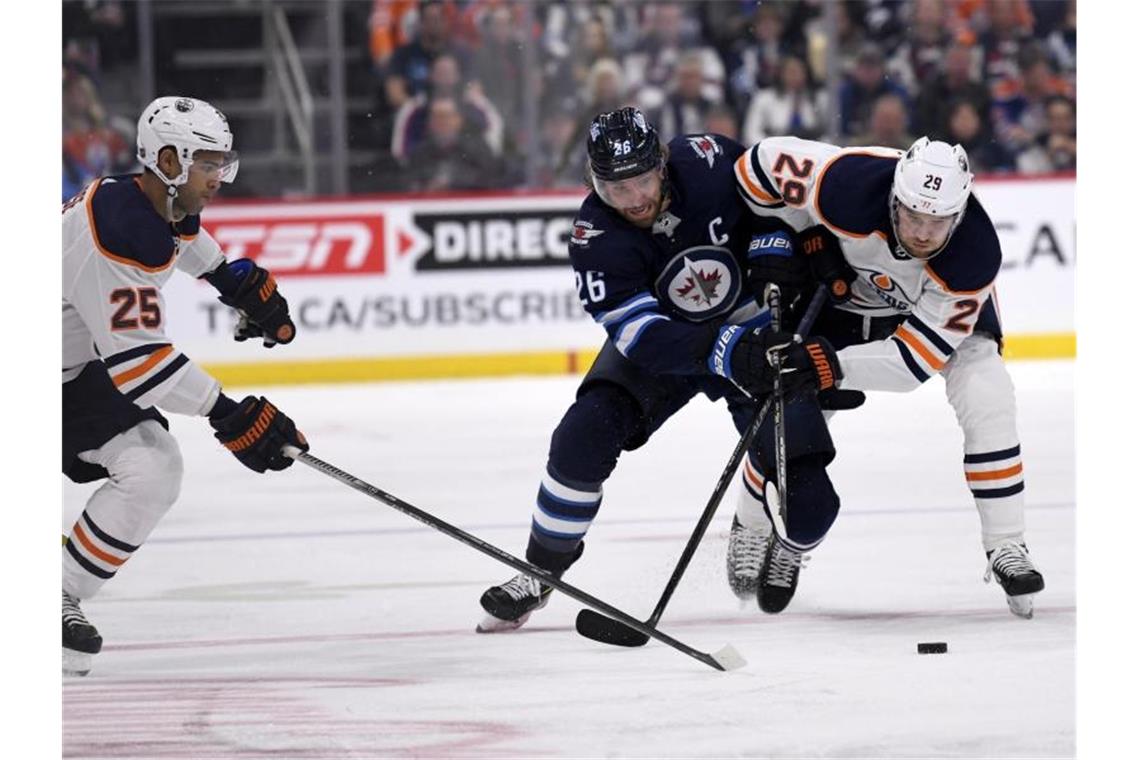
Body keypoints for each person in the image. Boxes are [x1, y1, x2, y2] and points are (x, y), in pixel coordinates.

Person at [476, 107, 847, 632]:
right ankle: (539, 570)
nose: (635, 200)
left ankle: (781, 540)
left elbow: (779, 206)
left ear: (663, 164)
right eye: (615, 189)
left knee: (812, 505)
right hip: (670, 350)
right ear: (592, 182)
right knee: (582, 435)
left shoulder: (711, 161)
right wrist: (726, 349)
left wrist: (782, 246)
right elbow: (643, 337)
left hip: (756, 335)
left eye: (643, 181)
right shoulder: (594, 238)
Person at [731, 133, 1046, 618]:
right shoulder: (847, 183)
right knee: (787, 410)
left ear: (959, 216)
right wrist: (798, 233)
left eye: (937, 222)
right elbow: (758, 165)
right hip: (842, 295)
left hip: (923, 314)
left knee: (989, 395)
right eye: (912, 216)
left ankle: (1006, 544)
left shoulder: (972, 257)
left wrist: (830, 366)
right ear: (893, 196)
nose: (921, 233)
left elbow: (911, 362)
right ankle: (752, 526)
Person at [62, 96, 310, 676]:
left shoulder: (144, 203)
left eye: (224, 163)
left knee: (153, 466)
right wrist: (228, 413)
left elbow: (183, 240)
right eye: (208, 164)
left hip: (65, 374)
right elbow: (140, 366)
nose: (219, 178)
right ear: (168, 159)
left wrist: (230, 279)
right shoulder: (115, 235)